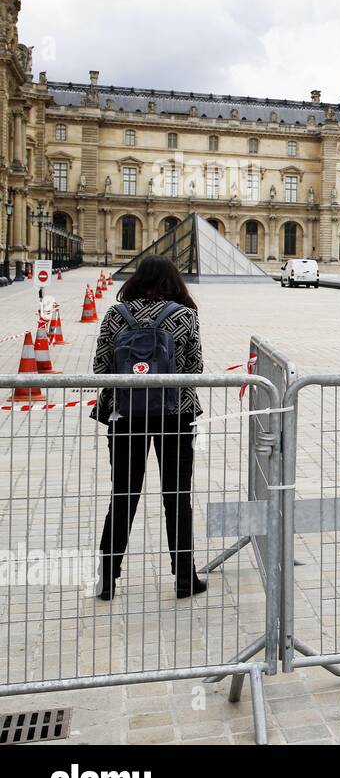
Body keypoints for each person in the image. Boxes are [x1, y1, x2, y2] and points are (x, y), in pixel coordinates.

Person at [92, 255, 206, 600]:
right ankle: (185, 578)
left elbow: (100, 368)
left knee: (123, 496)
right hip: (175, 414)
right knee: (177, 496)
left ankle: (108, 577)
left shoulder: (116, 315)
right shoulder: (184, 315)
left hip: (125, 414)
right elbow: (196, 368)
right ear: (174, 281)